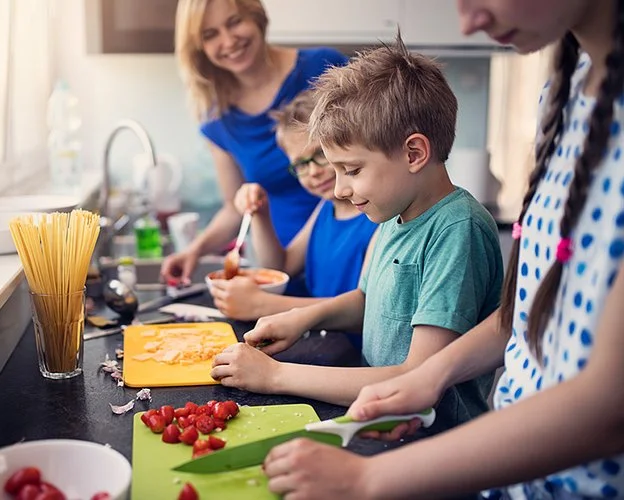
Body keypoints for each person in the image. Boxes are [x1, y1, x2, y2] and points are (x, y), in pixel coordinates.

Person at [259, 1, 624, 499]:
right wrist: (428, 377)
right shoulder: (561, 97)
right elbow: (522, 312)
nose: (467, 21)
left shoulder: (456, 225)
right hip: (507, 472)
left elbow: (607, 410)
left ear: (413, 153)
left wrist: (365, 478)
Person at [210, 35, 504, 416]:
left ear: (414, 153)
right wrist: (302, 318)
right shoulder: (396, 212)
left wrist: (275, 376)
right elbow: (369, 300)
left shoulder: (456, 231)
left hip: (428, 440)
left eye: (351, 170)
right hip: (379, 420)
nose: (339, 189)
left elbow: (416, 377)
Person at [160, 0, 348, 293]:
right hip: (283, 266)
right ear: (199, 48)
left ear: (257, 17)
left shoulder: (323, 67)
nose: (228, 41)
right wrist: (194, 251)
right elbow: (234, 208)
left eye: (234, 22)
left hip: (350, 245)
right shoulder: (217, 118)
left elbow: (370, 151)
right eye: (210, 34)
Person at [207, 90, 378, 321]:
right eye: (301, 164)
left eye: (320, 154)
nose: (314, 172)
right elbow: (282, 267)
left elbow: (365, 309)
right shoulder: (326, 209)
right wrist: (261, 214)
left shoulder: (377, 217)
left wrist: (263, 305)